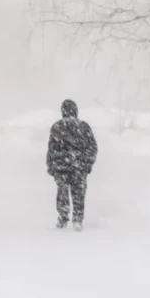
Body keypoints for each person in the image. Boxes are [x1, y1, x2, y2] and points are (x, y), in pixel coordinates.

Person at [46, 99, 97, 231]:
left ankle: (63, 218)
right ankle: (77, 219)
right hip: (79, 168)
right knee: (79, 194)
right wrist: (87, 165)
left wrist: (51, 166)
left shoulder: (57, 127)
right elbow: (92, 148)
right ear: (75, 110)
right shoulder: (84, 126)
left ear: (63, 111)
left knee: (62, 193)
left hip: (61, 167)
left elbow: (51, 149)